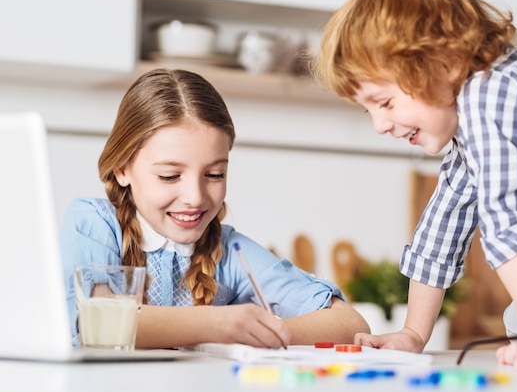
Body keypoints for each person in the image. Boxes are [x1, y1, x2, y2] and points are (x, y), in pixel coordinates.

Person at [313, 0, 517, 366]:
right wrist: (413, 333)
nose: (380, 125)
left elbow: (508, 225)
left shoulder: (492, 97)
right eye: (369, 111)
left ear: (445, 61)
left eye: (385, 103)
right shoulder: (471, 129)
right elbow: (440, 231)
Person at [60, 68, 370, 349]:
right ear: (122, 169)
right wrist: (217, 325)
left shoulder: (229, 250)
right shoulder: (94, 224)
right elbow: (94, 325)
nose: (195, 197)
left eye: (214, 175)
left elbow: (349, 324)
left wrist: (262, 331)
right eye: (169, 176)